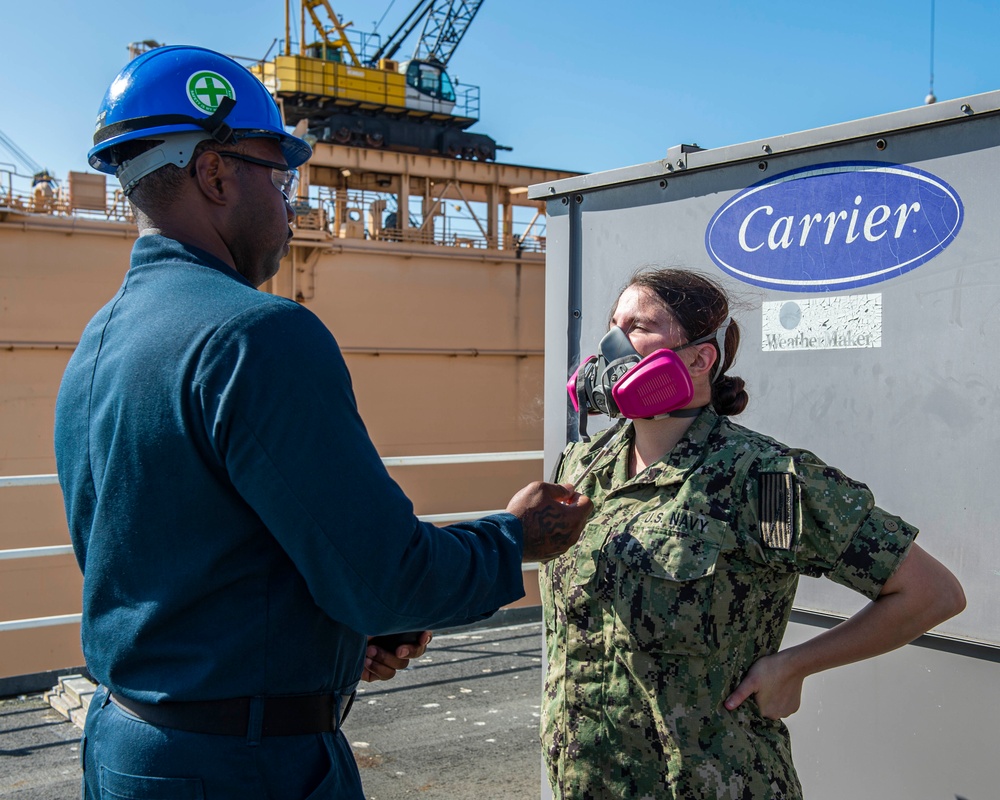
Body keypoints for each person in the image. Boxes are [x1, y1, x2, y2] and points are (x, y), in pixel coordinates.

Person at [53, 45, 591, 800]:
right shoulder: (256, 334)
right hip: (246, 768)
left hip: (128, 748)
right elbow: (384, 576)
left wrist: (332, 634)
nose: (290, 202)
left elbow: (186, 553)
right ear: (214, 174)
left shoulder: (98, 341)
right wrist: (517, 538)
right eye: (279, 175)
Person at [540, 268, 965, 799]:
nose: (613, 345)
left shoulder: (762, 477)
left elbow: (931, 594)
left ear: (700, 357)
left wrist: (794, 666)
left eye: (638, 326)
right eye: (612, 324)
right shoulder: (582, 464)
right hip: (586, 781)